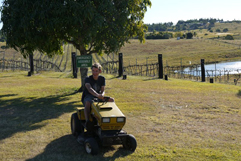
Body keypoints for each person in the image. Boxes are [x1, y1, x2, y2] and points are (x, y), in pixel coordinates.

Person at [81, 63, 114, 128]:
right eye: (93, 71)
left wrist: (102, 95)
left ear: (100, 71)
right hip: (88, 96)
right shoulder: (87, 79)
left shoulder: (102, 79)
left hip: (98, 96)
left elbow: (103, 90)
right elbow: (89, 89)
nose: (94, 73)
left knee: (111, 99)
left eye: (96, 71)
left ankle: (111, 118)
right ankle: (87, 121)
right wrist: (98, 95)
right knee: (88, 102)